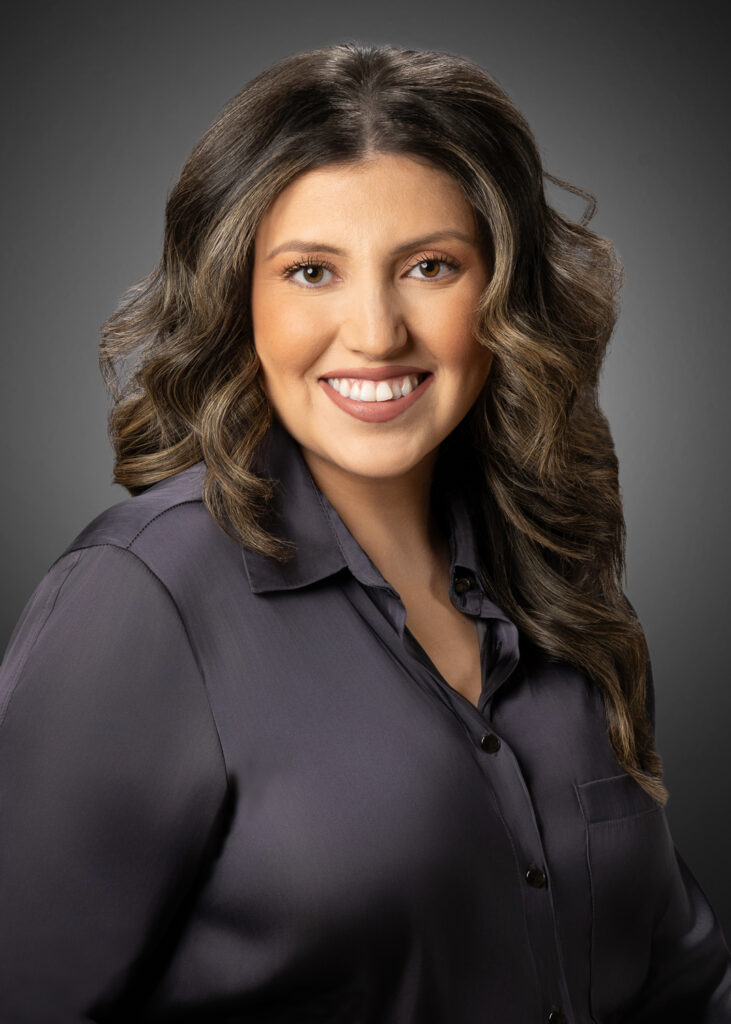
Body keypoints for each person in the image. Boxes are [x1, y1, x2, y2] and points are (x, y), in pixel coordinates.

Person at [0, 39, 729, 1024]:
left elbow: (680, 979)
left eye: (430, 266)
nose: (377, 332)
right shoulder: (141, 596)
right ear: (237, 299)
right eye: (311, 272)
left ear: (502, 293)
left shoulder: (556, 573)